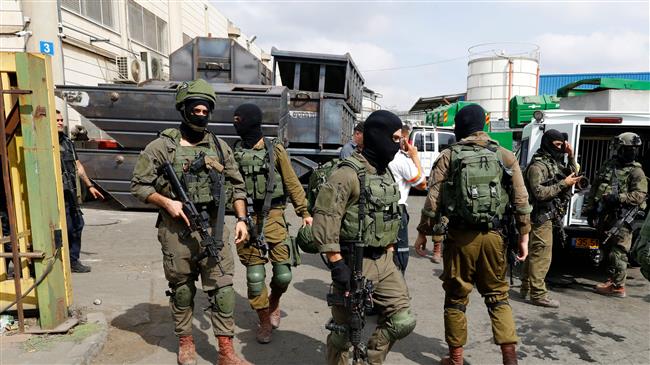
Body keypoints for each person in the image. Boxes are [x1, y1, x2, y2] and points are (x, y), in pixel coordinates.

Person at [130, 79, 251, 365]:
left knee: (223, 290)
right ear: (183, 110)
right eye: (195, 109)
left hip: (213, 227)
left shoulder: (220, 148)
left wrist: (242, 219)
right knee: (182, 289)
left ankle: (226, 352)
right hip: (176, 232)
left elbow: (237, 185)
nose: (201, 114)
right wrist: (166, 201)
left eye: (205, 110)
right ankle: (186, 342)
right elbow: (138, 185)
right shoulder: (162, 147)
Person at [414, 104, 531, 365]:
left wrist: (424, 232)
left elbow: (433, 200)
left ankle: (456, 359)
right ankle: (509, 359)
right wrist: (524, 234)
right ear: (483, 125)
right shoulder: (504, 155)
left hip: (460, 238)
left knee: (456, 297)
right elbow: (521, 199)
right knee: (498, 296)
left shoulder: (449, 155)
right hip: (494, 236)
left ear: (460, 127)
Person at [313, 110, 416, 365]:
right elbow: (325, 220)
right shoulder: (347, 174)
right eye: (394, 138)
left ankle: (371, 359)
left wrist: (390, 252)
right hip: (355, 262)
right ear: (377, 136)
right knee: (344, 334)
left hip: (384, 262)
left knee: (402, 319)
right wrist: (337, 264)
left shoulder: (385, 172)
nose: (399, 144)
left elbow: (389, 214)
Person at [231, 103, 312, 344]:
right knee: (255, 278)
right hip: (248, 220)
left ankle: (274, 302)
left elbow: (291, 182)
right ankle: (264, 320)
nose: (236, 124)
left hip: (275, 217)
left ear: (251, 121)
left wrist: (304, 212)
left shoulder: (274, 149)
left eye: (239, 119)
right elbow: (230, 189)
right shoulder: (234, 153)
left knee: (283, 275)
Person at [520, 129, 580, 308]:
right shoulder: (538, 167)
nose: (560, 148)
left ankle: (526, 288)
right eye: (557, 145)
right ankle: (538, 294)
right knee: (541, 256)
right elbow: (539, 193)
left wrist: (570, 156)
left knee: (534, 254)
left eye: (562, 145)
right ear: (547, 143)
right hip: (539, 217)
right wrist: (563, 184)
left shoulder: (553, 162)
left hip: (547, 216)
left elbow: (572, 174)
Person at [584, 132, 647, 298]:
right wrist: (590, 209)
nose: (630, 151)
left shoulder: (636, 172)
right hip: (605, 215)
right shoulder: (609, 165)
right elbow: (595, 187)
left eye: (632, 149)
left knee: (618, 251)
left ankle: (618, 287)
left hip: (622, 217)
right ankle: (611, 280)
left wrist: (618, 197)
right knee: (607, 248)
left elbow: (640, 196)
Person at [57, 110, 104, 273]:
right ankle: (59, 261)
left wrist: (90, 186)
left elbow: (78, 166)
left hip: (70, 192)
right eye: (57, 120)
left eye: (62, 119)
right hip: (55, 196)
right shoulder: (45, 143)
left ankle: (73, 260)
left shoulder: (68, 143)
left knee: (78, 225)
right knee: (66, 228)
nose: (60, 122)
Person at [388, 124, 426, 274]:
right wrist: (414, 156)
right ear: (402, 139)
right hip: (397, 211)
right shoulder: (400, 160)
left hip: (375, 211)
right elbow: (422, 184)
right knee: (399, 254)